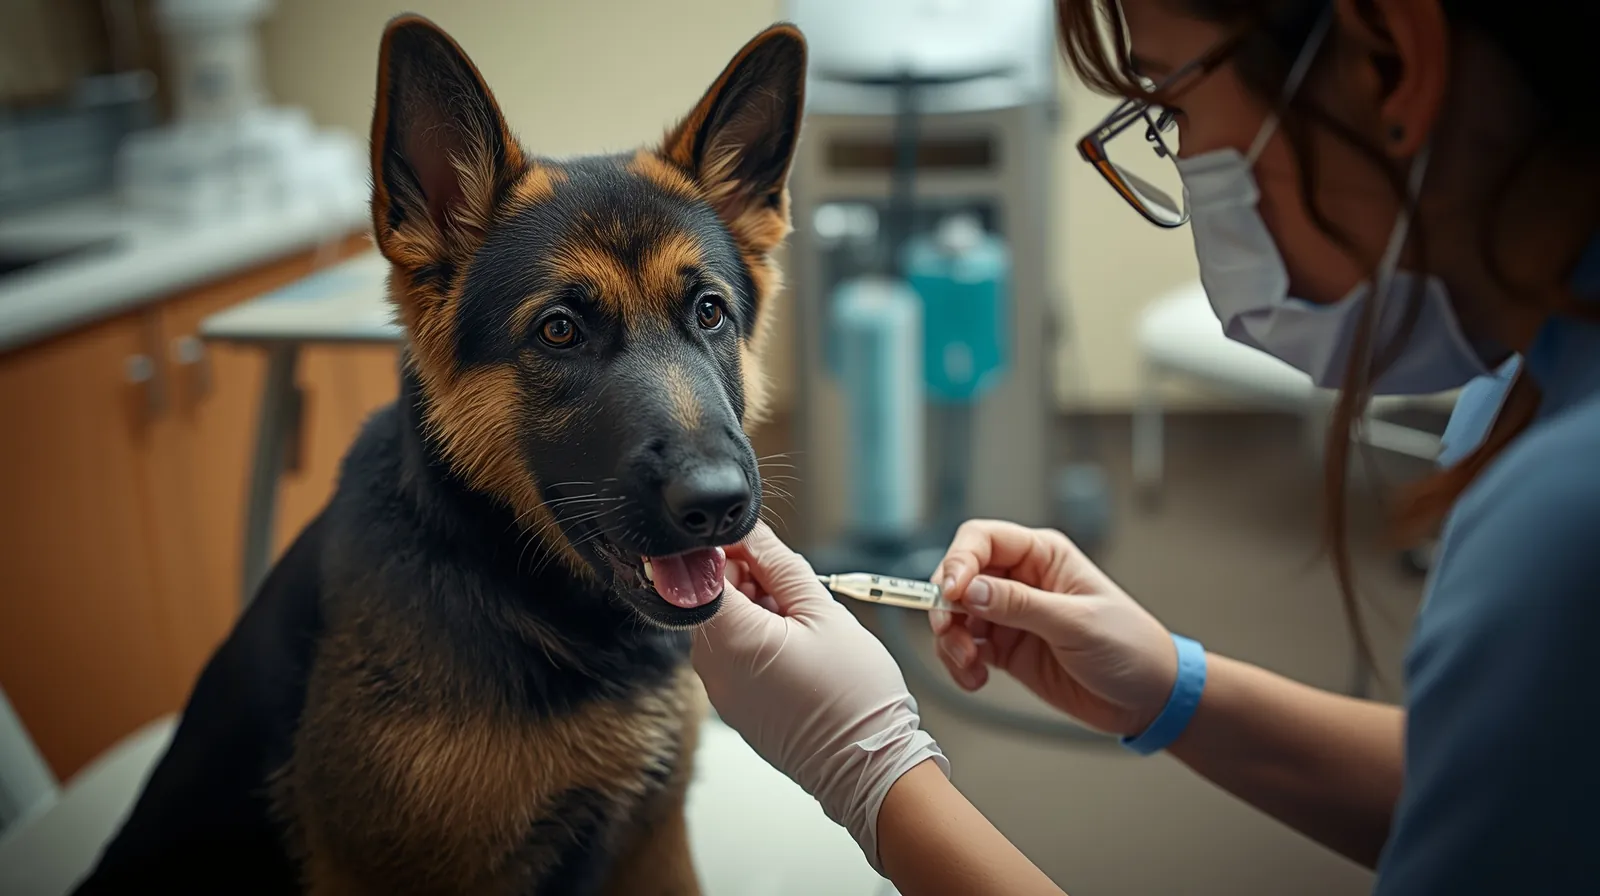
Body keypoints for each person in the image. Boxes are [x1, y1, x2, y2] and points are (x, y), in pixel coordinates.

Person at [693, 0, 1600, 893]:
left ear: (1394, 60)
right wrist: (1171, 688)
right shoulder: (1529, 393)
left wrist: (872, 771)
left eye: (1171, 107)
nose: (1182, 164)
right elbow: (1509, 795)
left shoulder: (1563, 521)